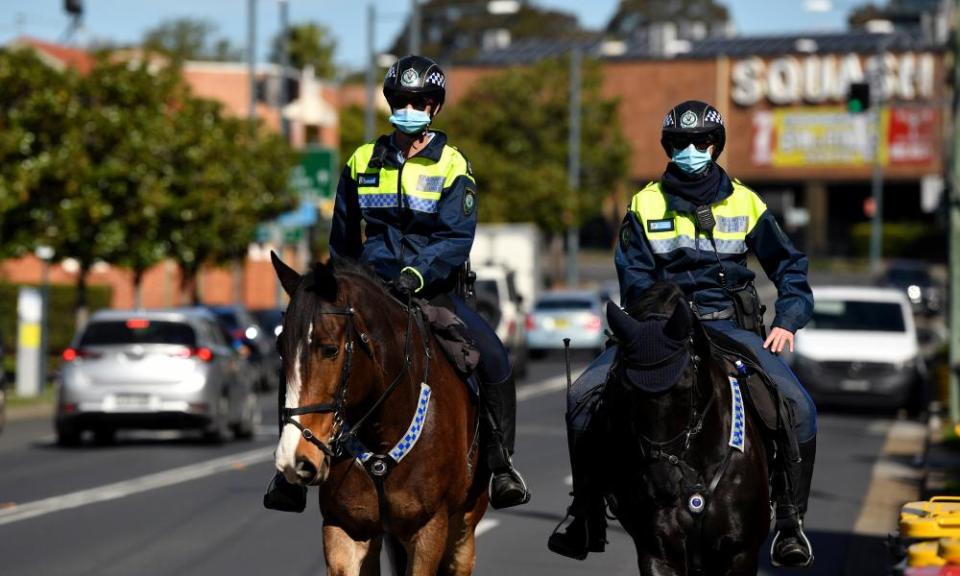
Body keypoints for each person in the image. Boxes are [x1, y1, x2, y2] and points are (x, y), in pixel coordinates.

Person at [548, 100, 817, 568]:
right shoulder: (645, 202)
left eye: (701, 142)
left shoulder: (746, 201)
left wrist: (787, 319)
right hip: (660, 330)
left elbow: (789, 266)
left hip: (729, 327)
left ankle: (790, 520)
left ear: (716, 146)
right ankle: (584, 513)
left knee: (798, 406)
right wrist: (657, 320)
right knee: (582, 397)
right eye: (679, 143)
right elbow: (633, 274)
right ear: (667, 147)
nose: (690, 150)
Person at [263, 55, 530, 512]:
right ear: (390, 103)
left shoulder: (453, 166)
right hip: (367, 292)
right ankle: (288, 471)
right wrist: (341, 285)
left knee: (493, 357)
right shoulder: (361, 161)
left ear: (435, 107)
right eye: (402, 100)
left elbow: (454, 238)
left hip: (433, 291)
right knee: (304, 349)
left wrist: (417, 274)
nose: (410, 108)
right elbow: (343, 238)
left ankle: (501, 464)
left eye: (420, 101)